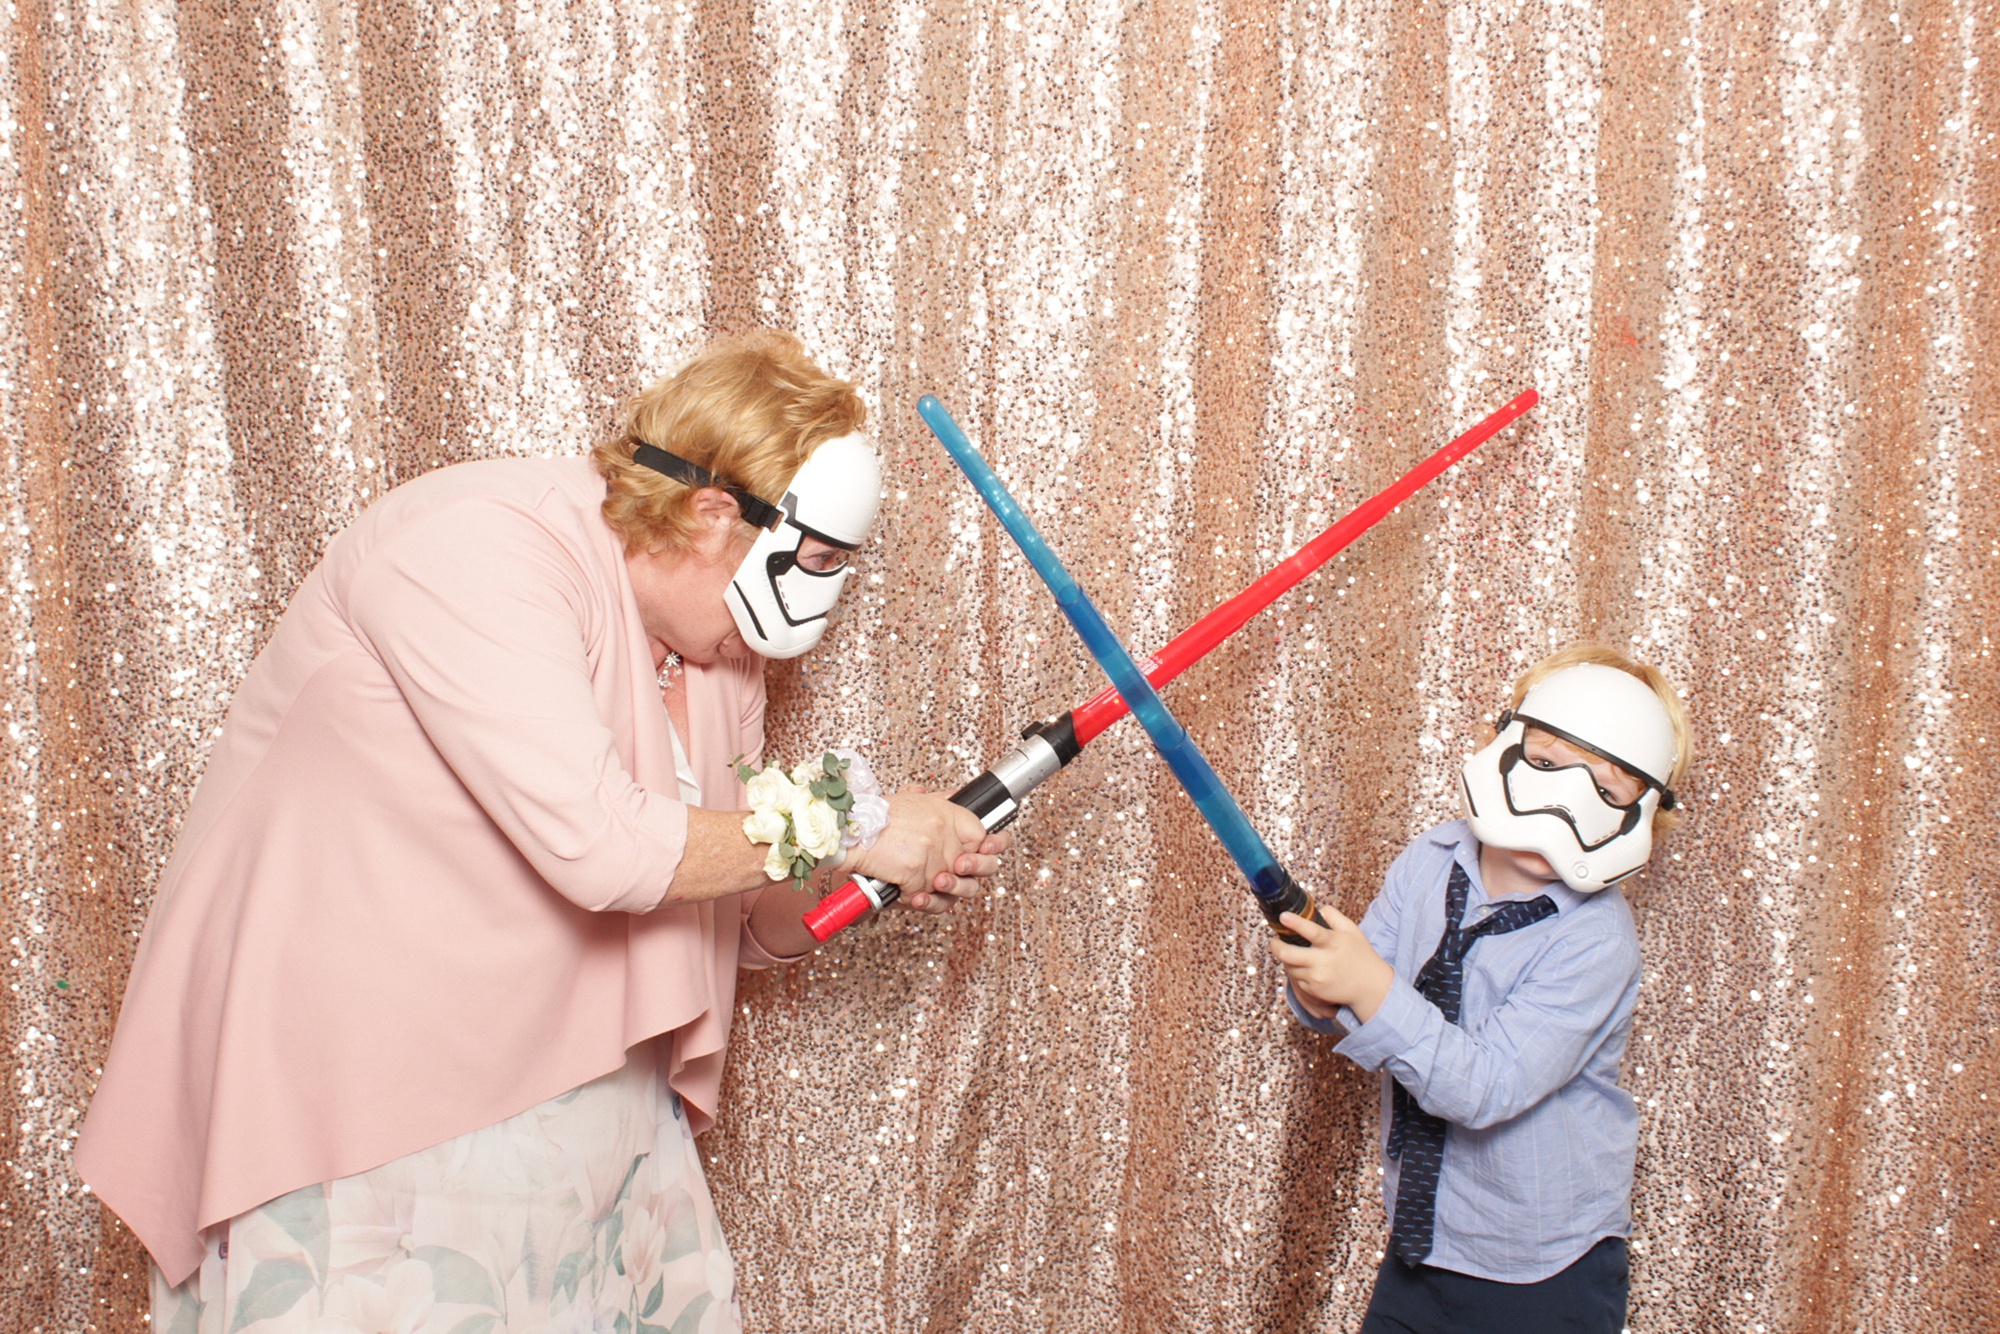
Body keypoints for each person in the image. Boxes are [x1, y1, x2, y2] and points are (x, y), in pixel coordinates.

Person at [74, 329, 1007, 1333]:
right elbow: (602, 843)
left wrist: (866, 876)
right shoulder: (477, 543)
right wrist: (852, 817)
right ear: (708, 514)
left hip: (587, 1116)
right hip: (378, 1109)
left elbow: (722, 906)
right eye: (814, 559)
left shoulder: (715, 651)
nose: (818, 602)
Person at [1270, 644, 1692, 1334]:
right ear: (1503, 745)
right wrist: (1322, 990)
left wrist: (1367, 985)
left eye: (1605, 791)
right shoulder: (1429, 859)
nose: (1561, 803)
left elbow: (1484, 1086)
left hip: (1542, 1270)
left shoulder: (1596, 940)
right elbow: (1364, 1003)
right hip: (1425, 1239)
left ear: (1641, 814)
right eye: (1549, 765)